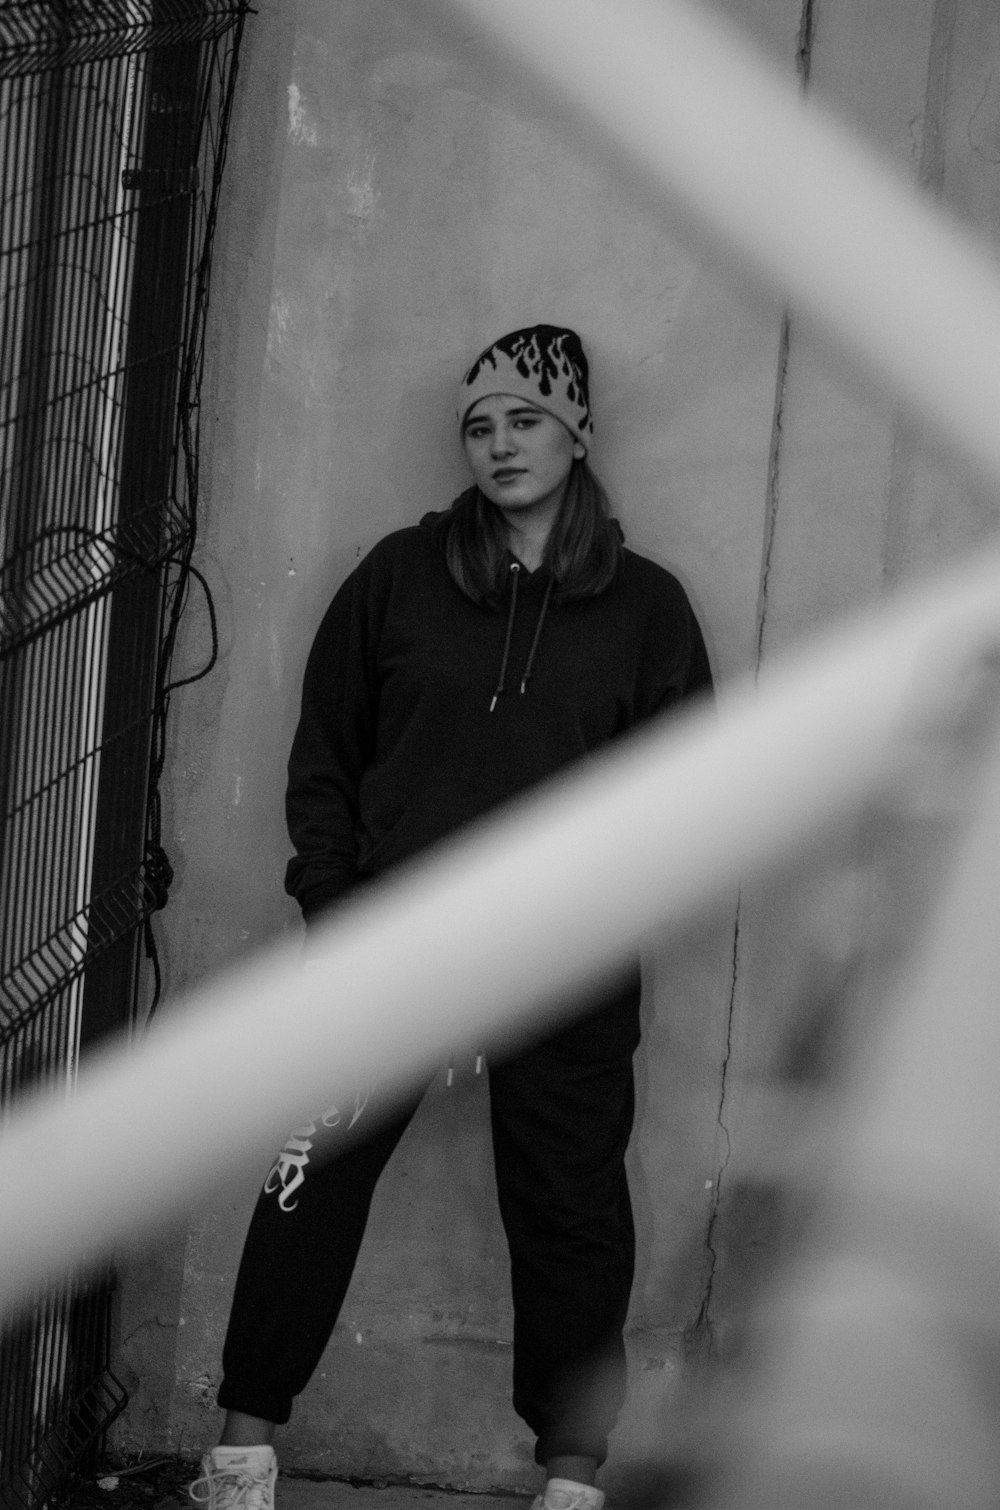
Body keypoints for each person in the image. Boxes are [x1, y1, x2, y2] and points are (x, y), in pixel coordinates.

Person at [190, 326, 712, 1510]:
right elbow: (327, 753)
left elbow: (686, 798)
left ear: (577, 433)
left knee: (569, 1206)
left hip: (563, 961)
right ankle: (237, 1460)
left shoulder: (648, 610)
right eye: (478, 426)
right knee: (309, 1174)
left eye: (524, 418)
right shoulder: (396, 577)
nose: (498, 444)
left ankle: (571, 1479)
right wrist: (334, 902)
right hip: (394, 946)